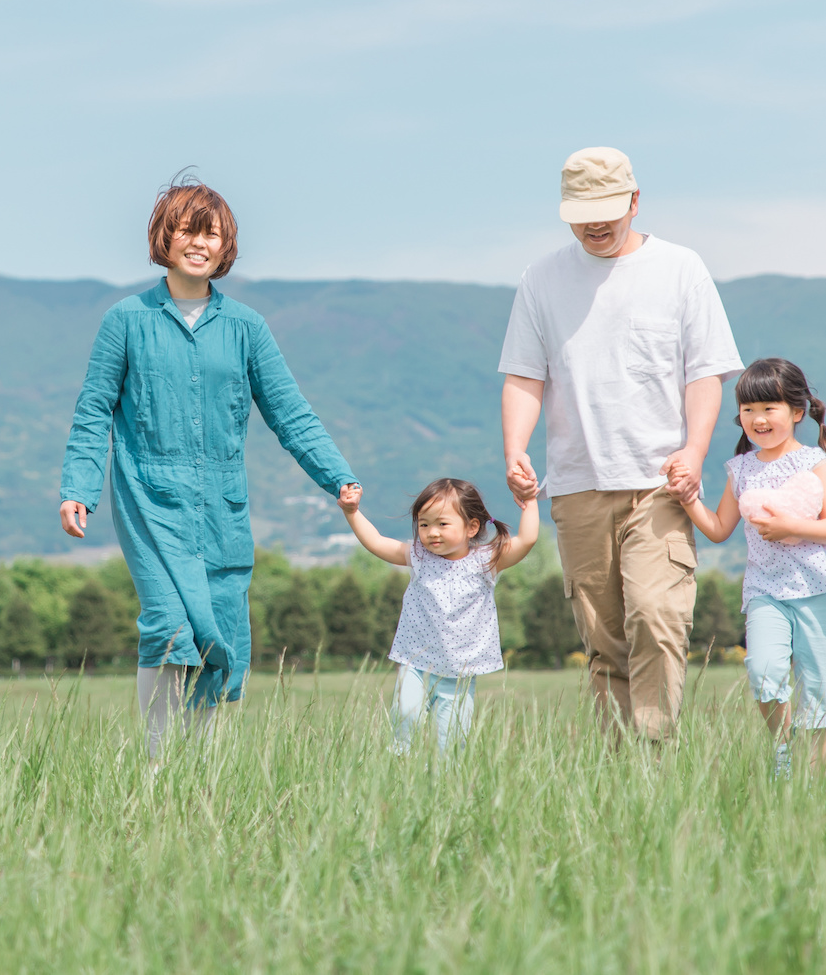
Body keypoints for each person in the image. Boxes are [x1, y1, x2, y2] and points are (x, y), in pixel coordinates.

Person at [59, 176, 359, 756]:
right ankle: (154, 767)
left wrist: (335, 473)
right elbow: (93, 410)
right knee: (169, 624)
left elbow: (289, 411)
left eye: (211, 233)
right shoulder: (126, 319)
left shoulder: (247, 326)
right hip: (148, 497)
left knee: (219, 632)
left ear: (226, 246)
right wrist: (79, 488)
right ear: (163, 237)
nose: (198, 242)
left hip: (221, 504)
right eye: (186, 230)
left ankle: (201, 771)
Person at [498, 146, 743, 742]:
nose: (596, 223)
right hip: (578, 484)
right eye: (582, 212)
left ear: (635, 201)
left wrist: (694, 450)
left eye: (608, 208)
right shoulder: (542, 279)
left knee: (657, 619)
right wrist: (515, 449)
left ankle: (653, 754)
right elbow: (526, 376)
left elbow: (704, 375)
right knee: (604, 640)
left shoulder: (680, 268)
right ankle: (618, 770)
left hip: (661, 483)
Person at [675, 357, 826, 776]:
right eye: (748, 410)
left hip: (818, 590)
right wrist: (686, 500)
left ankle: (814, 782)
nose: (757, 419)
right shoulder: (741, 470)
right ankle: (783, 749)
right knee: (763, 669)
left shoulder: (816, 463)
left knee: (818, 689)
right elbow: (718, 528)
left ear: (796, 412)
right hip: (765, 591)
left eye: (768, 409)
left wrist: (791, 526)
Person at [336, 478, 540, 752]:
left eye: (442, 524)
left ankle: (445, 788)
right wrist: (352, 513)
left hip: (459, 671)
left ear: (472, 527)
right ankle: (401, 773)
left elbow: (527, 539)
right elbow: (376, 542)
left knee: (451, 743)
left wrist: (530, 502)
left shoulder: (486, 561)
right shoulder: (418, 556)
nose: (432, 532)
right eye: (424, 524)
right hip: (416, 662)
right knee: (406, 716)